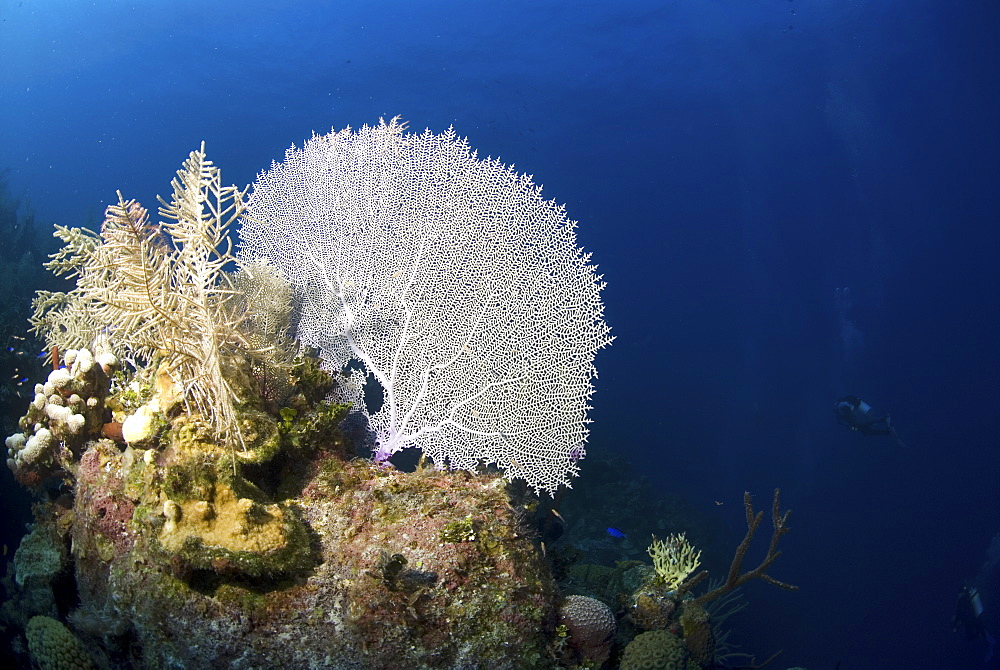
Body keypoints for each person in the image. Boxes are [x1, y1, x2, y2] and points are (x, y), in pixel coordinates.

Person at [834, 395, 904, 445]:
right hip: (855, 421)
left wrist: (851, 410)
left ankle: (884, 420)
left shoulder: (841, 406)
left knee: (865, 424)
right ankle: (887, 430)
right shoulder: (841, 408)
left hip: (855, 419)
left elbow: (847, 408)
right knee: (868, 431)